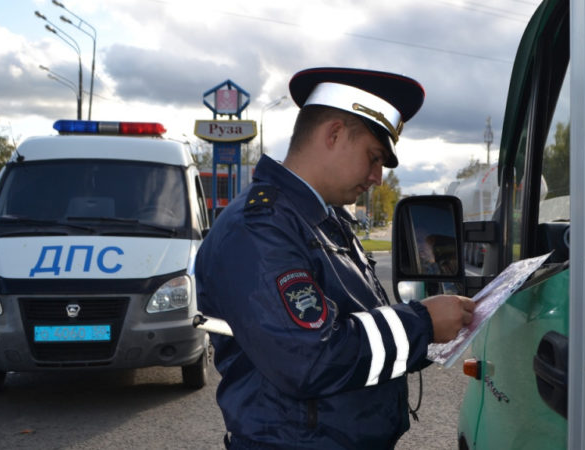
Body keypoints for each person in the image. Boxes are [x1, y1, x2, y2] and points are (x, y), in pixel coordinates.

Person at [195, 67, 475, 449]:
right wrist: (423, 323)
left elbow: (359, 331)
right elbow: (311, 359)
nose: (378, 176)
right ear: (335, 134)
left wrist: (430, 334)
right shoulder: (260, 228)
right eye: (374, 157)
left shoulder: (323, 220)